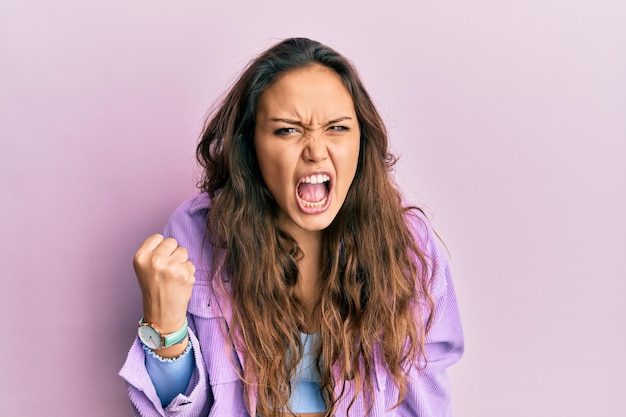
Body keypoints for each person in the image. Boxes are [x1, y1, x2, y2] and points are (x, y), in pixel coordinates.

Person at [119, 37, 464, 417]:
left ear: (361, 141)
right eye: (287, 130)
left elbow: (426, 397)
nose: (316, 150)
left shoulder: (408, 243)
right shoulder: (195, 234)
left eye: (337, 127)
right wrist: (164, 325)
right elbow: (180, 411)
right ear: (250, 144)